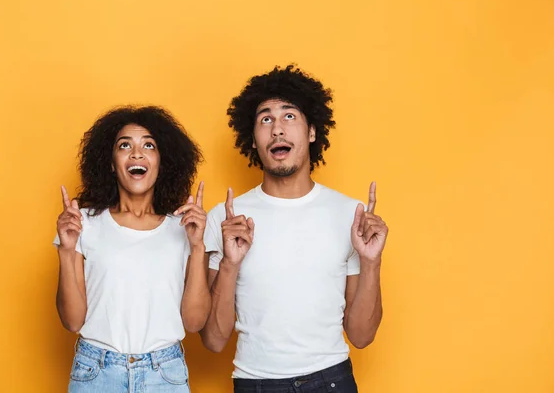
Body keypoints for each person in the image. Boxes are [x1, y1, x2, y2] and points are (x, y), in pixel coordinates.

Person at [200, 65, 389, 392]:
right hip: (255, 383)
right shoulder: (227, 219)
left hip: (332, 379)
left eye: (289, 117)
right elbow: (214, 340)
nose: (277, 130)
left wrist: (371, 261)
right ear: (253, 139)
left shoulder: (349, 215)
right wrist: (230, 263)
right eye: (265, 119)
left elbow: (361, 336)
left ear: (312, 132)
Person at [54, 106, 210, 392]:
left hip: (165, 374)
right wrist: (66, 249)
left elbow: (195, 322)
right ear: (111, 163)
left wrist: (198, 247)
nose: (136, 153)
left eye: (148, 145)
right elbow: (72, 320)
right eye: (124, 145)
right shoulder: (83, 224)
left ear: (162, 162)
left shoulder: (184, 228)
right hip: (96, 372)